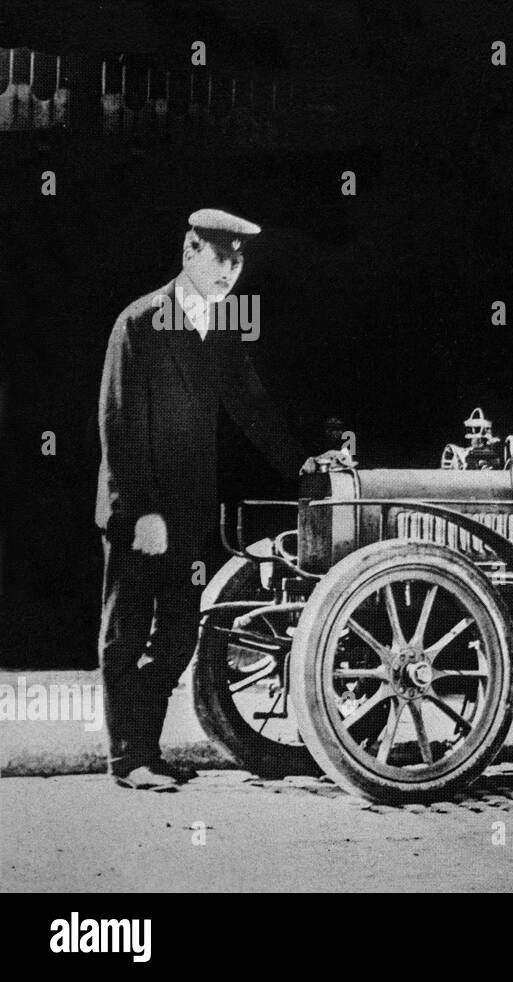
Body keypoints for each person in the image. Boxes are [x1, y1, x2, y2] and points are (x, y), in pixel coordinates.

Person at [95, 208, 310, 790]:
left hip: (189, 511)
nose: (230, 273)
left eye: (238, 262)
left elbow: (251, 406)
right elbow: (117, 426)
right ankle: (129, 760)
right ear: (190, 251)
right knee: (128, 635)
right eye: (220, 259)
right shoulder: (138, 322)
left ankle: (149, 751)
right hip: (141, 514)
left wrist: (302, 466)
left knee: (178, 637)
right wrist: (142, 513)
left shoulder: (220, 325)